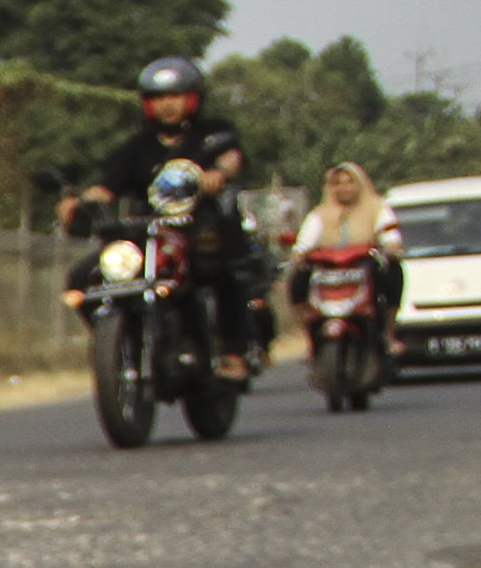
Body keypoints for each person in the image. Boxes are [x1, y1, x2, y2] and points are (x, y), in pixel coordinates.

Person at [69, 54, 268, 376]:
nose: (167, 105)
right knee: (83, 278)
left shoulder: (213, 133)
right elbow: (107, 187)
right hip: (150, 234)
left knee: (225, 271)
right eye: (158, 97)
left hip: (203, 226)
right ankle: (122, 339)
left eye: (174, 96)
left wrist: (217, 173)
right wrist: (80, 201)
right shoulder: (137, 146)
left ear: (192, 98)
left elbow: (232, 156)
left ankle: (234, 351)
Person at [286, 158, 405, 351]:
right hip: (328, 271)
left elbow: (389, 234)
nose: (344, 188)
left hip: (364, 266)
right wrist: (298, 255)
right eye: (338, 183)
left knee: (393, 272)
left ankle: (388, 332)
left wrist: (392, 247)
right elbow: (305, 243)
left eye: (349, 182)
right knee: (297, 281)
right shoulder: (321, 214)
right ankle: (310, 336)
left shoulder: (376, 208)